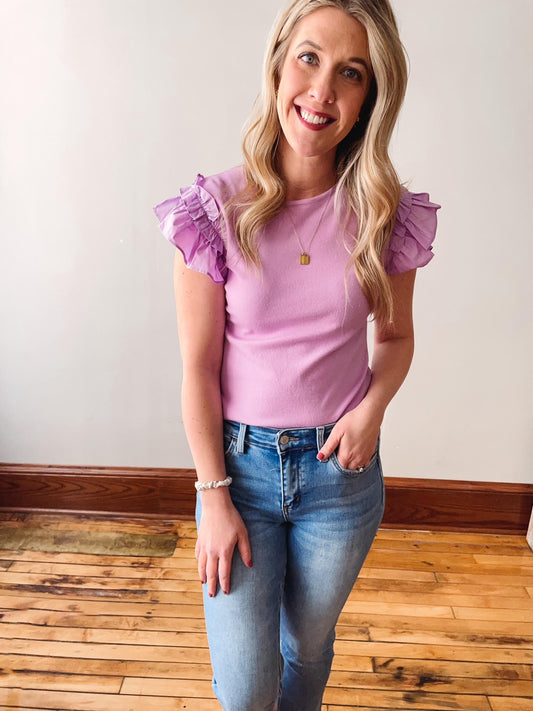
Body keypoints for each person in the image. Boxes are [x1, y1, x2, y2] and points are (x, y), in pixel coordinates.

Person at [154, 0, 439, 708]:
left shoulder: (382, 212)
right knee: (247, 690)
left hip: (338, 481)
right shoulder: (213, 209)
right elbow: (196, 366)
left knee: (306, 653)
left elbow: (395, 339)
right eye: (309, 58)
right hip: (238, 475)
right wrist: (212, 493)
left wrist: (372, 409)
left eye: (350, 73)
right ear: (279, 61)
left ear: (371, 96)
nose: (321, 93)